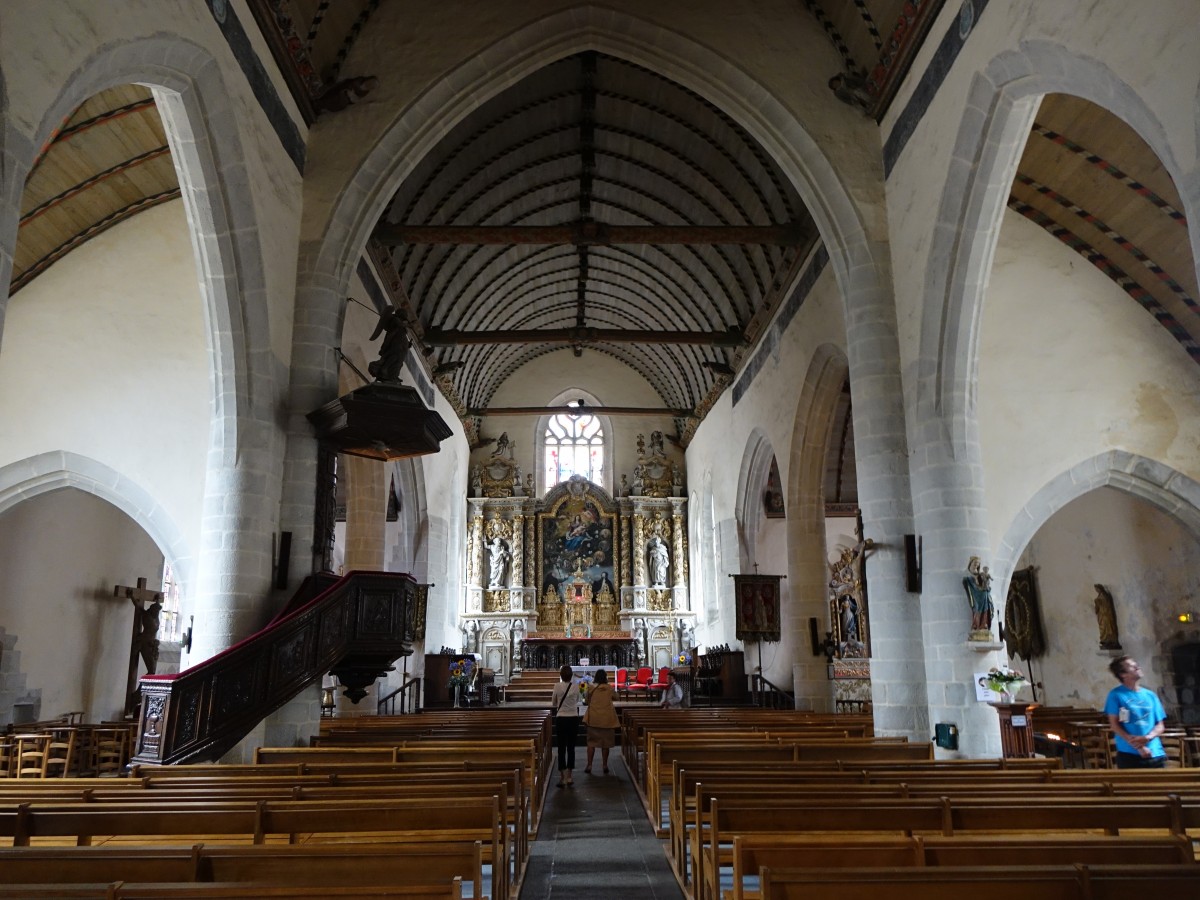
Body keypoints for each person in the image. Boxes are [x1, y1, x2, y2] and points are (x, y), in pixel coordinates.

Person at [1103, 656, 1167, 768]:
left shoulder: (1150, 695)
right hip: (1129, 754)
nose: (1137, 667)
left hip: (1155, 752)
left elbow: (1160, 725)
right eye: (1132, 666)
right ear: (1123, 674)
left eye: (1136, 664)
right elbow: (1115, 725)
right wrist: (1139, 747)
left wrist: (1148, 737)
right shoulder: (1116, 695)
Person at [582, 668, 620, 775]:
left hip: (594, 718)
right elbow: (617, 697)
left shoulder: (591, 687)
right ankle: (604, 765)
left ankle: (589, 765)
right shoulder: (609, 688)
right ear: (605, 678)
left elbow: (585, 699)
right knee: (605, 744)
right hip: (607, 720)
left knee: (591, 743)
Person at [550, 664, 582, 786]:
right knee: (571, 747)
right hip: (573, 717)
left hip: (561, 718)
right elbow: (578, 700)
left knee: (561, 748)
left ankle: (562, 777)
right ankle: (570, 776)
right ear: (571, 675)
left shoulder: (557, 686)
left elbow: (553, 703)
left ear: (561, 675)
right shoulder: (575, 686)